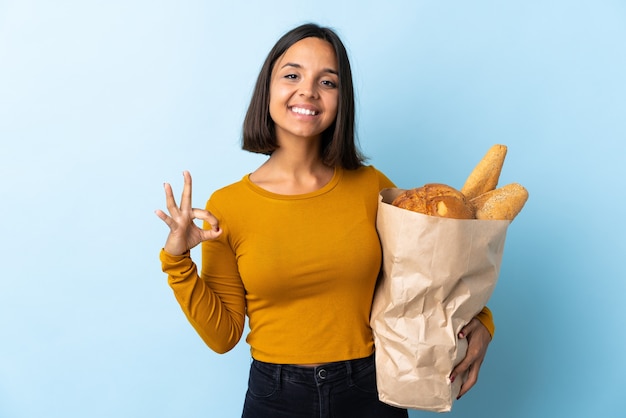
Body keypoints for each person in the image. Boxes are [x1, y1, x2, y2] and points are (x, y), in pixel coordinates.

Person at [156, 23, 494, 418]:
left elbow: (435, 274)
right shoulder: (229, 205)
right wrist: (177, 260)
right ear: (268, 88)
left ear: (341, 99)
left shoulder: (373, 189)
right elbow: (223, 335)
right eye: (292, 75)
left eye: (328, 81)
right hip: (275, 396)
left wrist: (482, 322)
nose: (308, 91)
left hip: (371, 390)